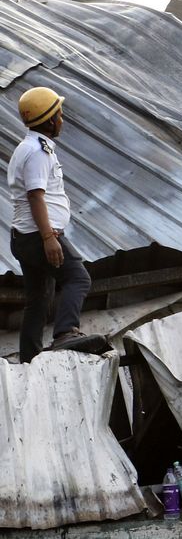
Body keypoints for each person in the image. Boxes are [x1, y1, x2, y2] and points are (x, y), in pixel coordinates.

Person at [7, 87, 93, 363]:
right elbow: (35, 195)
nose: (62, 119)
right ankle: (66, 332)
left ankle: (29, 360)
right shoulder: (38, 152)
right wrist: (48, 237)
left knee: (39, 300)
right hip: (38, 235)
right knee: (78, 278)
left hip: (24, 237)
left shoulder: (27, 147)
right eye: (59, 114)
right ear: (49, 120)